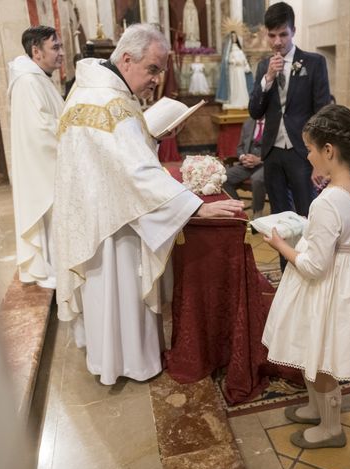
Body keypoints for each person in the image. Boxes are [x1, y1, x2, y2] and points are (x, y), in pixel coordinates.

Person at [53, 24, 242, 385]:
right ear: (126, 59)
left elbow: (116, 159)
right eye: (152, 69)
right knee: (118, 289)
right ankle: (130, 363)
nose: (156, 80)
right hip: (115, 223)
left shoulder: (88, 89)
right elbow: (135, 172)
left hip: (96, 214)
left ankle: (105, 357)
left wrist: (148, 136)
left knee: (102, 296)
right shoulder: (110, 103)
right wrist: (195, 207)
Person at [262, 104, 350, 449]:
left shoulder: (326, 202)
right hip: (337, 284)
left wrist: (281, 244)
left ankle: (331, 428)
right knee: (315, 351)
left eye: (310, 148)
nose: (307, 155)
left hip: (323, 289)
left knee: (322, 360)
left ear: (329, 150)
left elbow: (312, 266)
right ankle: (315, 408)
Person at [248, 2, 331, 233]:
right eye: (272, 35)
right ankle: (286, 267)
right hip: (273, 152)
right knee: (279, 219)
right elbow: (255, 111)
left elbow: (322, 112)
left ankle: (309, 265)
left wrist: (320, 159)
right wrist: (268, 79)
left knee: (308, 214)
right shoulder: (264, 66)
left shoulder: (314, 63)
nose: (277, 41)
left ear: (293, 31)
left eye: (283, 34)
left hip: (302, 151)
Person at [8, 26, 65, 288]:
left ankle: (57, 266)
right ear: (36, 51)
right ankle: (46, 269)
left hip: (48, 163)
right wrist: (71, 131)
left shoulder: (39, 78)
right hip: (41, 165)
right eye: (55, 47)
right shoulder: (28, 81)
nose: (61, 53)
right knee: (48, 214)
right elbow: (39, 130)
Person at [223, 117, 266, 218]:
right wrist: (243, 158)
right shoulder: (248, 122)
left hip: (266, 164)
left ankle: (257, 213)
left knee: (257, 179)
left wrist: (259, 160)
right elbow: (240, 147)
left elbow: (276, 150)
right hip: (247, 164)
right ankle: (238, 209)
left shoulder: (275, 123)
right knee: (223, 178)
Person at [216, 31, 253, 109]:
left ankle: (243, 101)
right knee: (234, 86)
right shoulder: (229, 50)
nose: (234, 38)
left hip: (241, 71)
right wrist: (235, 62)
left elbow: (244, 60)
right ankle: (234, 100)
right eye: (232, 37)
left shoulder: (240, 50)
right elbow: (227, 60)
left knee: (242, 85)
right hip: (233, 71)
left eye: (235, 37)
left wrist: (245, 65)